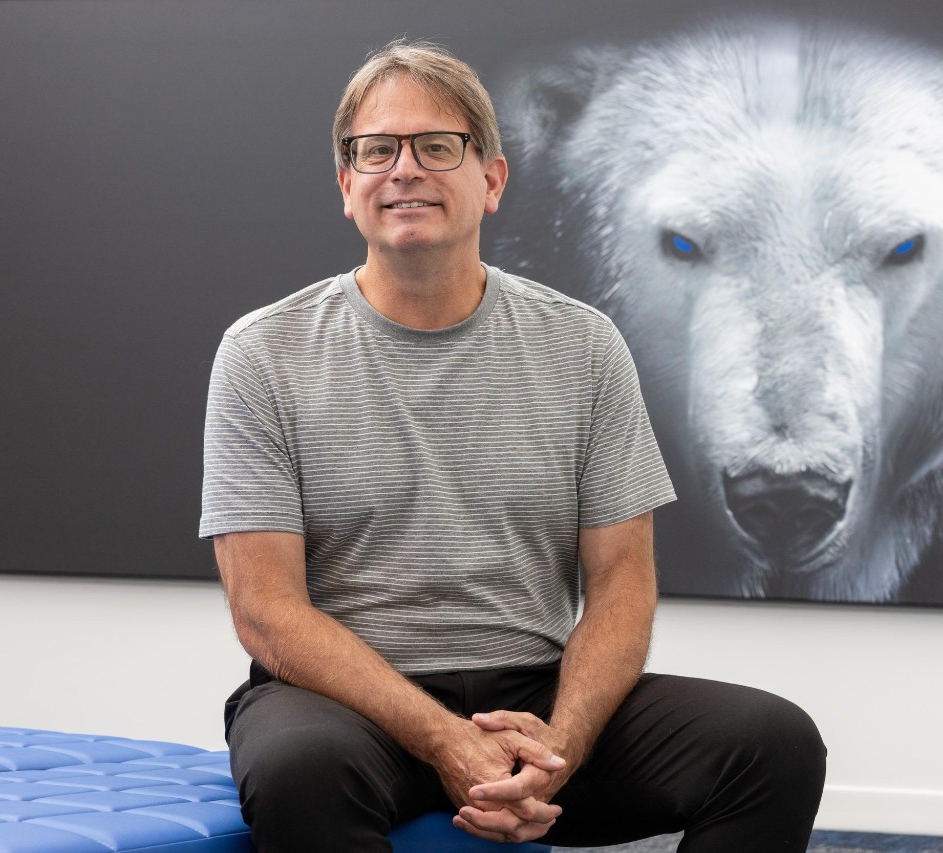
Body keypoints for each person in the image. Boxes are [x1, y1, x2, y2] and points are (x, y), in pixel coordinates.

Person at [199, 37, 826, 852]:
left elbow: (622, 586)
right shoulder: (262, 351)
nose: (405, 169)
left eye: (437, 146)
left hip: (535, 694)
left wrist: (556, 749)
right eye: (377, 150)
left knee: (773, 743)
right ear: (346, 184)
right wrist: (443, 737)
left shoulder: (584, 344)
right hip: (343, 705)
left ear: (491, 180)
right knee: (299, 772)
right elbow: (268, 612)